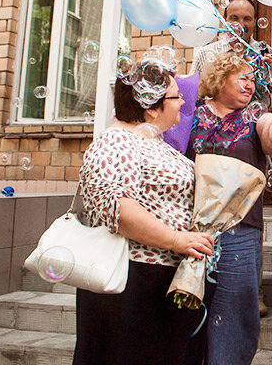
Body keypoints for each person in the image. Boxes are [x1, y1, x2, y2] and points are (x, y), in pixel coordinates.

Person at [74, 52, 214, 365]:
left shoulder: (158, 143)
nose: (182, 103)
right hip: (132, 284)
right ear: (151, 106)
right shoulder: (116, 142)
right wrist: (178, 240)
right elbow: (118, 210)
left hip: (166, 283)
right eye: (176, 96)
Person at [186, 51, 272, 365]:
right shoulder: (190, 114)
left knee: (235, 310)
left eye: (252, 79)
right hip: (192, 228)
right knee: (190, 306)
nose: (250, 85)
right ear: (220, 78)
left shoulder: (254, 117)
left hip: (240, 230)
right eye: (242, 78)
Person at [191, 0, 259, 75]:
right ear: (225, 20)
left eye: (247, 19)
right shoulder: (205, 54)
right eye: (234, 18)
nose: (240, 25)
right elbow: (191, 87)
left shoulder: (264, 53)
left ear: (255, 21)